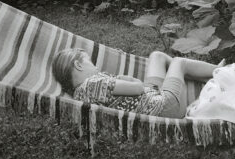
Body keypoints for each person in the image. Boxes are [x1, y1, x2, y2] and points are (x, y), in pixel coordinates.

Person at [52, 48, 221, 119]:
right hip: (165, 107)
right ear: (78, 65)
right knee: (178, 62)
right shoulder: (93, 84)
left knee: (157, 56)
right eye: (90, 61)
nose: (95, 66)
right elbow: (138, 88)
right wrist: (128, 79)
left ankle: (204, 77)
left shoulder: (79, 93)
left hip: (151, 98)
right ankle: (222, 72)